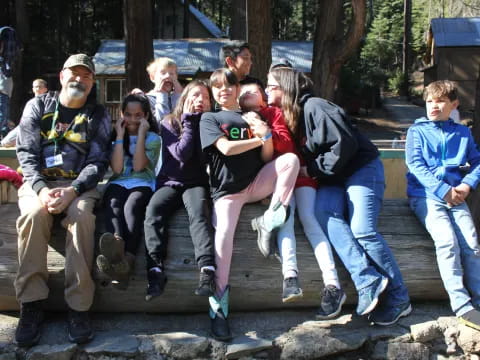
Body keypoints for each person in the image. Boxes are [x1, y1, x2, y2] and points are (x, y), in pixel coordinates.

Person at [267, 67, 411, 326]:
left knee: (363, 230)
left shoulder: (315, 106)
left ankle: (400, 299)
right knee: (322, 213)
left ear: (285, 87)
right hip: (333, 178)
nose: (267, 90)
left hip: (361, 170)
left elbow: (344, 144)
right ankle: (367, 280)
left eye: (271, 86)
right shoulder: (294, 115)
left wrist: (311, 169)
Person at [14, 54, 111, 347]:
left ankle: (79, 307)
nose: (79, 80)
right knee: (33, 215)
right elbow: (26, 153)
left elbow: (98, 161)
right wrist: (42, 190)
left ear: (92, 82)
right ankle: (30, 305)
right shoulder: (38, 105)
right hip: (39, 183)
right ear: (61, 75)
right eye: (74, 74)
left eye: (86, 76)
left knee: (81, 218)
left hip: (79, 185)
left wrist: (74, 190)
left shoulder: (98, 114)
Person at [200, 68, 299, 341]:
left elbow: (268, 158)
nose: (224, 90)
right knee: (223, 241)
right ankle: (219, 310)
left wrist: (266, 135)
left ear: (237, 88)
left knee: (290, 160)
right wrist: (257, 138)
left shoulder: (251, 116)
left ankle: (270, 219)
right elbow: (226, 149)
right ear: (213, 91)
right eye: (217, 87)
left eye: (228, 85)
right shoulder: (210, 118)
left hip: (255, 184)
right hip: (226, 192)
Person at [239, 83, 346, 318]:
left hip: (298, 176)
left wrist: (265, 129)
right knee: (284, 222)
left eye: (253, 91)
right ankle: (290, 276)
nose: (247, 94)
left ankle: (333, 285)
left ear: (263, 99)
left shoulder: (273, 113)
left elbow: (287, 144)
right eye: (243, 92)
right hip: (272, 181)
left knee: (310, 221)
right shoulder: (234, 119)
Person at [406, 80, 480, 331]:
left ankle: (479, 300)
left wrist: (467, 185)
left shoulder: (462, 133)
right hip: (425, 196)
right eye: (429, 101)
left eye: (440, 101)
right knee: (447, 242)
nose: (433, 106)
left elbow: (476, 162)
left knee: (471, 243)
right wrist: (443, 191)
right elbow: (416, 166)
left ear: (454, 104)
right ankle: (462, 305)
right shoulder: (417, 132)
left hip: (457, 196)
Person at [143, 80, 216, 301]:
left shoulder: (209, 123)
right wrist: (189, 122)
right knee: (153, 212)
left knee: (199, 214)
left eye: (205, 97)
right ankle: (155, 270)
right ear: (184, 99)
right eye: (195, 95)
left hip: (196, 183)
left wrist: (198, 123)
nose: (200, 100)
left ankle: (207, 270)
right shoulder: (169, 123)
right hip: (170, 181)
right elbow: (181, 154)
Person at [96, 93, 160, 289]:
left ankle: (128, 259)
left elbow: (140, 166)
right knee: (113, 203)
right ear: (122, 114)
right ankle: (116, 248)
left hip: (143, 183)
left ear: (146, 116)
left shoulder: (153, 138)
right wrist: (120, 137)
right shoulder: (115, 138)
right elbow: (116, 170)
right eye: (129, 115)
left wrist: (140, 135)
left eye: (138, 115)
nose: (133, 119)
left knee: (131, 207)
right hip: (119, 181)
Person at [1, 79, 50, 147]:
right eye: (36, 87)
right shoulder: (30, 102)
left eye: (40, 87)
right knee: (5, 142)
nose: (38, 89)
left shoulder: (50, 101)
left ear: (45, 89)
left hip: (42, 129)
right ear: (33, 89)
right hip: (27, 127)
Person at [145, 57, 183, 125]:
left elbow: (179, 122)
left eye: (171, 73)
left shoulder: (179, 97)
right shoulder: (147, 100)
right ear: (152, 77)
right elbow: (160, 124)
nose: (168, 76)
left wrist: (178, 96)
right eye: (163, 73)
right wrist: (161, 95)